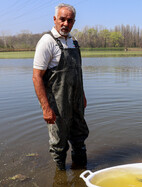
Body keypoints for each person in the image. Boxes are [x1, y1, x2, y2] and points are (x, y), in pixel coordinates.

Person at [32, 3, 89, 170]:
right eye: (62, 19)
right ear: (55, 19)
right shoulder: (47, 42)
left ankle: (80, 172)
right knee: (59, 144)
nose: (66, 24)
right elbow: (37, 77)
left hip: (76, 104)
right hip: (57, 106)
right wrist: (46, 108)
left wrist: (82, 96)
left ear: (74, 22)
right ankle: (60, 174)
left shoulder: (74, 42)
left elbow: (78, 73)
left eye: (70, 20)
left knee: (79, 138)